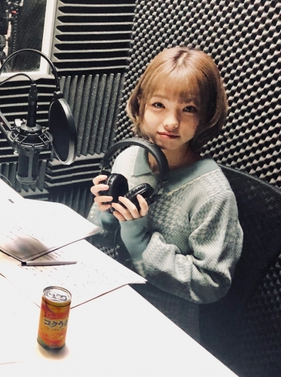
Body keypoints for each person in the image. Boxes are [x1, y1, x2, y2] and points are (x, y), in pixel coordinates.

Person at [88, 46, 243, 339]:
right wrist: (106, 214)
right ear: (141, 105)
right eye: (159, 104)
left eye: (188, 109)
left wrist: (140, 242)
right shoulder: (127, 158)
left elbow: (211, 284)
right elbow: (102, 236)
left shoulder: (213, 195)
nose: (171, 121)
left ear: (206, 115)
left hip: (166, 325)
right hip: (114, 299)